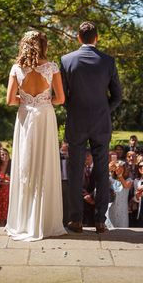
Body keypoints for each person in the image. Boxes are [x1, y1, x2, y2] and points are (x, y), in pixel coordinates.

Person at [4, 30, 67, 241]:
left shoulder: (16, 69)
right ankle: (44, 222)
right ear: (43, 45)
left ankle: (22, 221)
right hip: (45, 116)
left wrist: (25, 100)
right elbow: (60, 99)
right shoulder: (51, 68)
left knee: (25, 166)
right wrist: (43, 101)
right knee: (45, 166)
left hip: (25, 117)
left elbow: (10, 101)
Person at [60, 21, 122, 234]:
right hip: (101, 122)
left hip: (77, 121)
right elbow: (118, 96)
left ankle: (75, 220)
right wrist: (104, 109)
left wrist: (74, 109)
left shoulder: (66, 60)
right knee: (102, 170)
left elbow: (63, 96)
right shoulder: (108, 61)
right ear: (97, 37)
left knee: (75, 171)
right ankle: (100, 221)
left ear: (79, 37)